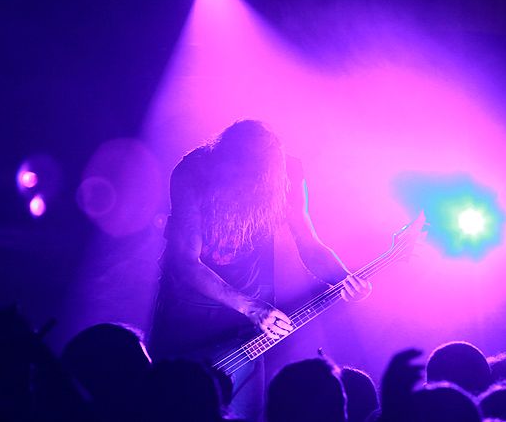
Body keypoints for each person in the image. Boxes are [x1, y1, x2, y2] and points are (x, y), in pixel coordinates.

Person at [148, 119, 370, 421]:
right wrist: (252, 307)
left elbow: (309, 244)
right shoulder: (193, 171)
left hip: (246, 324)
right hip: (187, 316)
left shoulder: (287, 172)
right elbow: (186, 262)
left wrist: (343, 278)